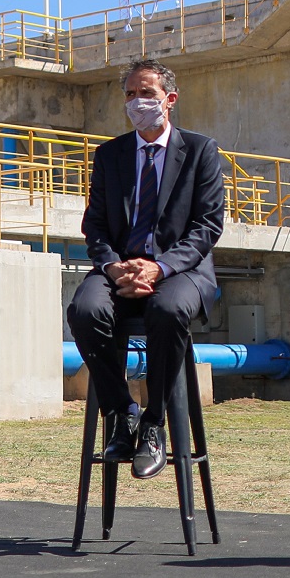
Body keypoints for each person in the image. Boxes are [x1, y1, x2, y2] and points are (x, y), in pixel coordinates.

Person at [66, 60, 225, 480]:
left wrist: (160, 268)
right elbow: (95, 224)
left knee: (168, 312)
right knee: (84, 310)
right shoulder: (110, 155)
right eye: (130, 94)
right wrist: (112, 265)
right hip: (119, 269)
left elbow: (207, 225)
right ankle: (123, 412)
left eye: (147, 94)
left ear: (169, 100)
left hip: (181, 271)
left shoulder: (200, 151)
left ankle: (155, 423)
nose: (137, 102)